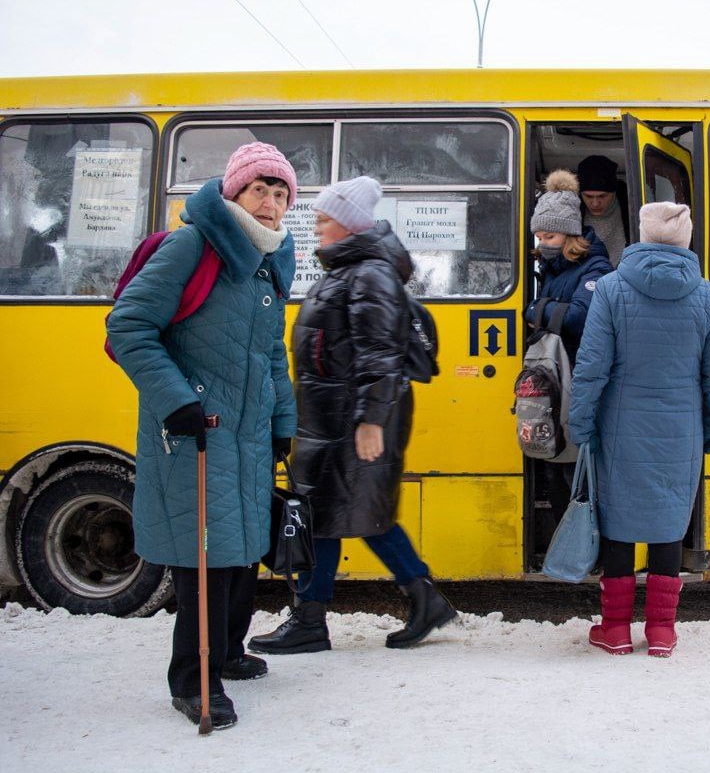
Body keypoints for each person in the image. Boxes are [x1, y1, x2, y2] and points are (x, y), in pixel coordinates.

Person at [107, 142, 299, 730]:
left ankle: (230, 653)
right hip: (196, 431)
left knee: (242, 550)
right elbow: (128, 327)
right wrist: (177, 401)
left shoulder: (265, 261)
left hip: (246, 435)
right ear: (234, 193)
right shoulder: (193, 245)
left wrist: (283, 425)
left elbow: (271, 355)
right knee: (206, 557)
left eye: (281, 194)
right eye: (258, 190)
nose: (270, 204)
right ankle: (194, 683)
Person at [249, 176, 457, 656]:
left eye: (323, 220)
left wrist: (369, 421)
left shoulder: (368, 275)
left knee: (341, 514)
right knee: (342, 515)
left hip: (350, 422)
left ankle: (312, 619)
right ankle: (416, 601)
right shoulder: (352, 271)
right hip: (331, 419)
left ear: (347, 224)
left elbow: (379, 354)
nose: (316, 227)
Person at [569, 202, 710, 657]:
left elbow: (591, 367)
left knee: (619, 525)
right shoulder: (706, 296)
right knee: (668, 526)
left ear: (642, 234)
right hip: (683, 432)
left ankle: (616, 630)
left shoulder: (612, 289)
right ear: (685, 239)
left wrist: (580, 424)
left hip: (622, 429)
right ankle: (661, 631)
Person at [523, 169, 615, 523]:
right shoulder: (552, 267)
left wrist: (536, 310)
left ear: (570, 234)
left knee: (574, 466)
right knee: (552, 458)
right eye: (539, 235)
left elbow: (578, 318)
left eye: (549, 235)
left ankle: (584, 542)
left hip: (578, 376)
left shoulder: (595, 265)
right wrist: (547, 311)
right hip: (553, 376)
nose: (542, 242)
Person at [577, 154, 628, 266]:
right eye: (588, 196)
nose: (595, 203)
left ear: (613, 192)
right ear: (580, 194)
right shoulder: (571, 212)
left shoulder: (631, 206)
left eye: (602, 196)